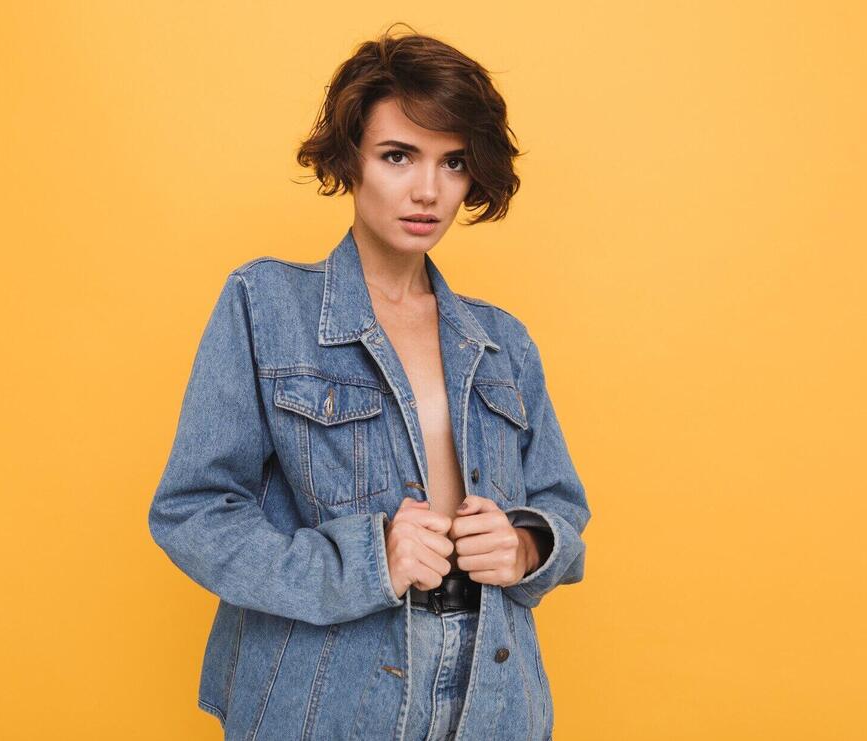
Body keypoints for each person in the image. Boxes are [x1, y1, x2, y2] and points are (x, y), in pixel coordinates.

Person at [148, 25, 591, 741]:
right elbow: (193, 511)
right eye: (398, 156)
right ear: (350, 159)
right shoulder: (265, 306)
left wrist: (527, 546)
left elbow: (562, 506)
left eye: (453, 163)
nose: (428, 190)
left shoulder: (502, 339)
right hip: (329, 687)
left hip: (493, 692)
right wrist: (364, 560)